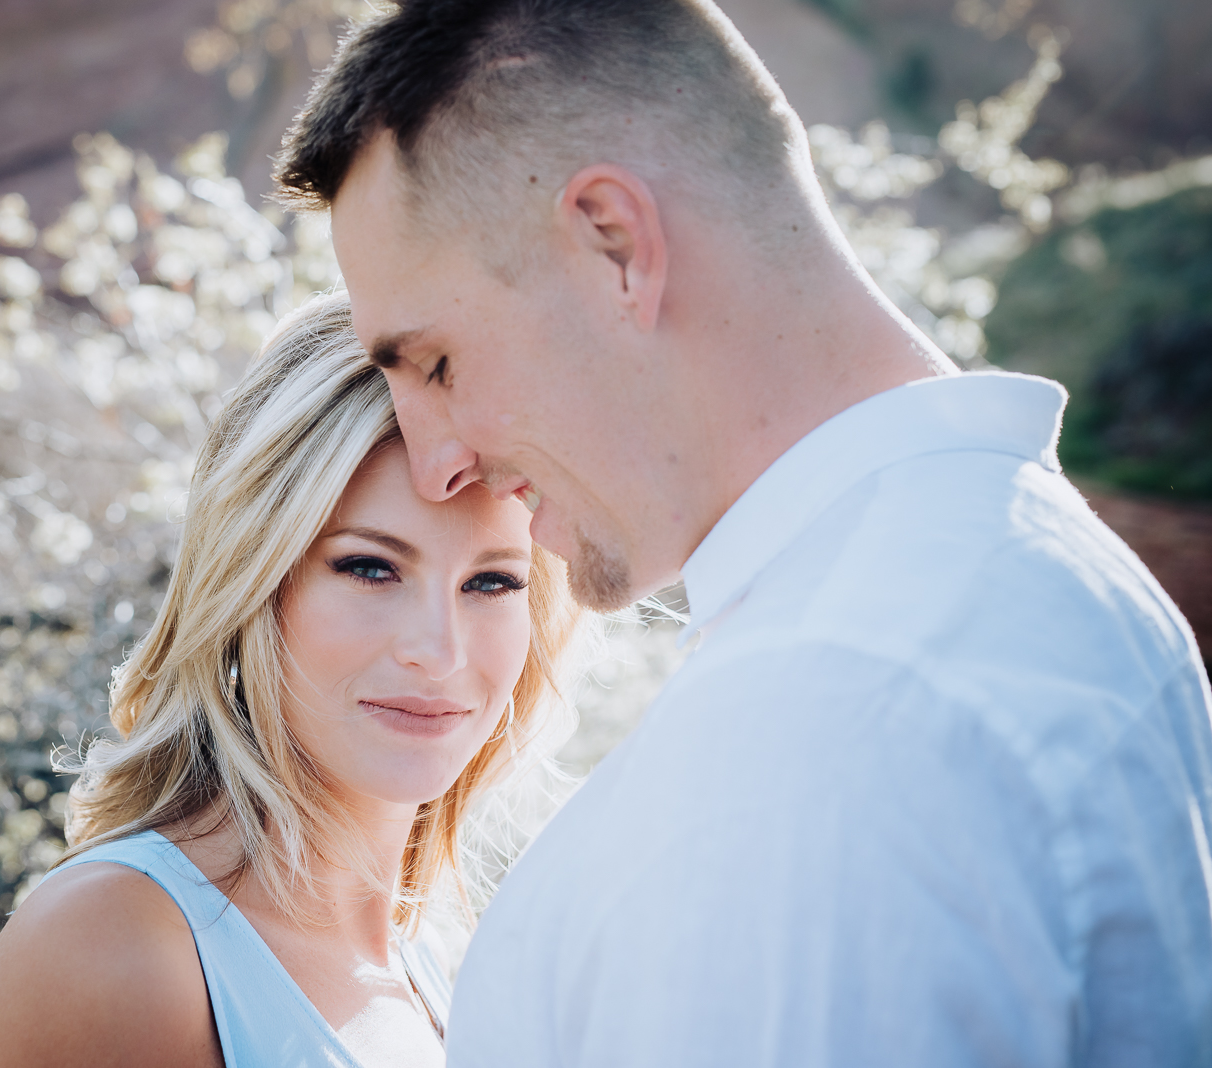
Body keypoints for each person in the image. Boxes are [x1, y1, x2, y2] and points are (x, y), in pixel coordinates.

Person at [273, 1, 1212, 1065]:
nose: (439, 462)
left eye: (437, 364)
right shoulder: (1037, 572)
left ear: (614, 245)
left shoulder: (826, 718)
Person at [0, 293, 580, 1067]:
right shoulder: (119, 940)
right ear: (255, 586)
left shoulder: (428, 961)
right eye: (370, 567)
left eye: (494, 583)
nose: (439, 651)